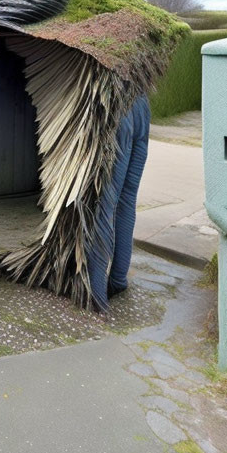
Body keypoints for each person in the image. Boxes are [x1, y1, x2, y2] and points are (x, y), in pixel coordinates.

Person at [87, 93, 151, 311]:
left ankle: (96, 295)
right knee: (127, 201)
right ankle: (118, 280)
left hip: (118, 104)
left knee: (105, 203)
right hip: (141, 107)